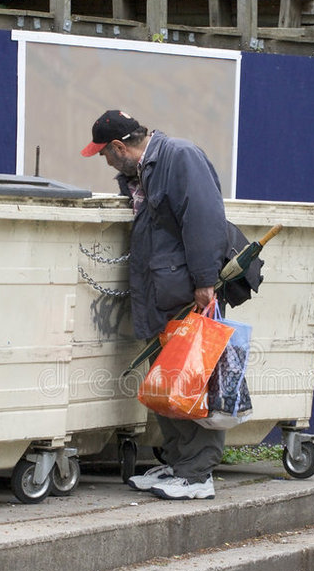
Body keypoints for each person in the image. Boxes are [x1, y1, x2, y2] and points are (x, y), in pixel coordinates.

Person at [81, 109, 229, 500]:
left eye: (104, 154)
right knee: (168, 382)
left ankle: (198, 473)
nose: (105, 162)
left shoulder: (180, 157)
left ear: (118, 146)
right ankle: (182, 463)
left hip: (183, 292)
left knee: (190, 383)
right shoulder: (141, 172)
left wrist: (204, 281)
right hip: (159, 294)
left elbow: (205, 218)